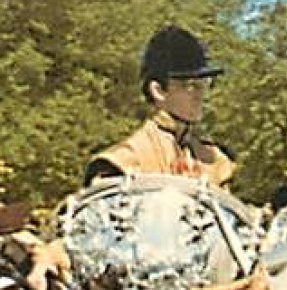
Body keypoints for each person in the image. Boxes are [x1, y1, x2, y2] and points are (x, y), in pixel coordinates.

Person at [83, 25, 235, 188]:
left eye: (204, 85)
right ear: (158, 90)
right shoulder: (123, 162)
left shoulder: (214, 161)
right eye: (190, 86)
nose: (200, 95)